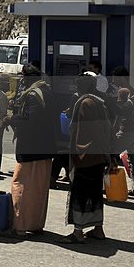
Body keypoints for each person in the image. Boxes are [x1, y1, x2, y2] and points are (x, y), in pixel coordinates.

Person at [58, 74, 116, 244]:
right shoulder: (99, 102)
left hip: (86, 156)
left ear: (82, 87)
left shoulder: (85, 103)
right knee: (95, 193)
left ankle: (78, 232)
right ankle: (98, 228)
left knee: (80, 193)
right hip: (98, 157)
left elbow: (88, 131)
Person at [3, 66, 59, 239]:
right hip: (46, 149)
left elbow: (31, 121)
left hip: (31, 148)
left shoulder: (33, 95)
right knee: (39, 189)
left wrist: (12, 119)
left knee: (20, 185)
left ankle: (19, 227)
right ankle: (36, 225)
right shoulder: (47, 92)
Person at [110, 66, 134, 195]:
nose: (113, 81)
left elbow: (120, 113)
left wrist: (114, 129)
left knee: (110, 153)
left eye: (115, 78)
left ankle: (108, 184)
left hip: (126, 130)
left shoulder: (123, 91)